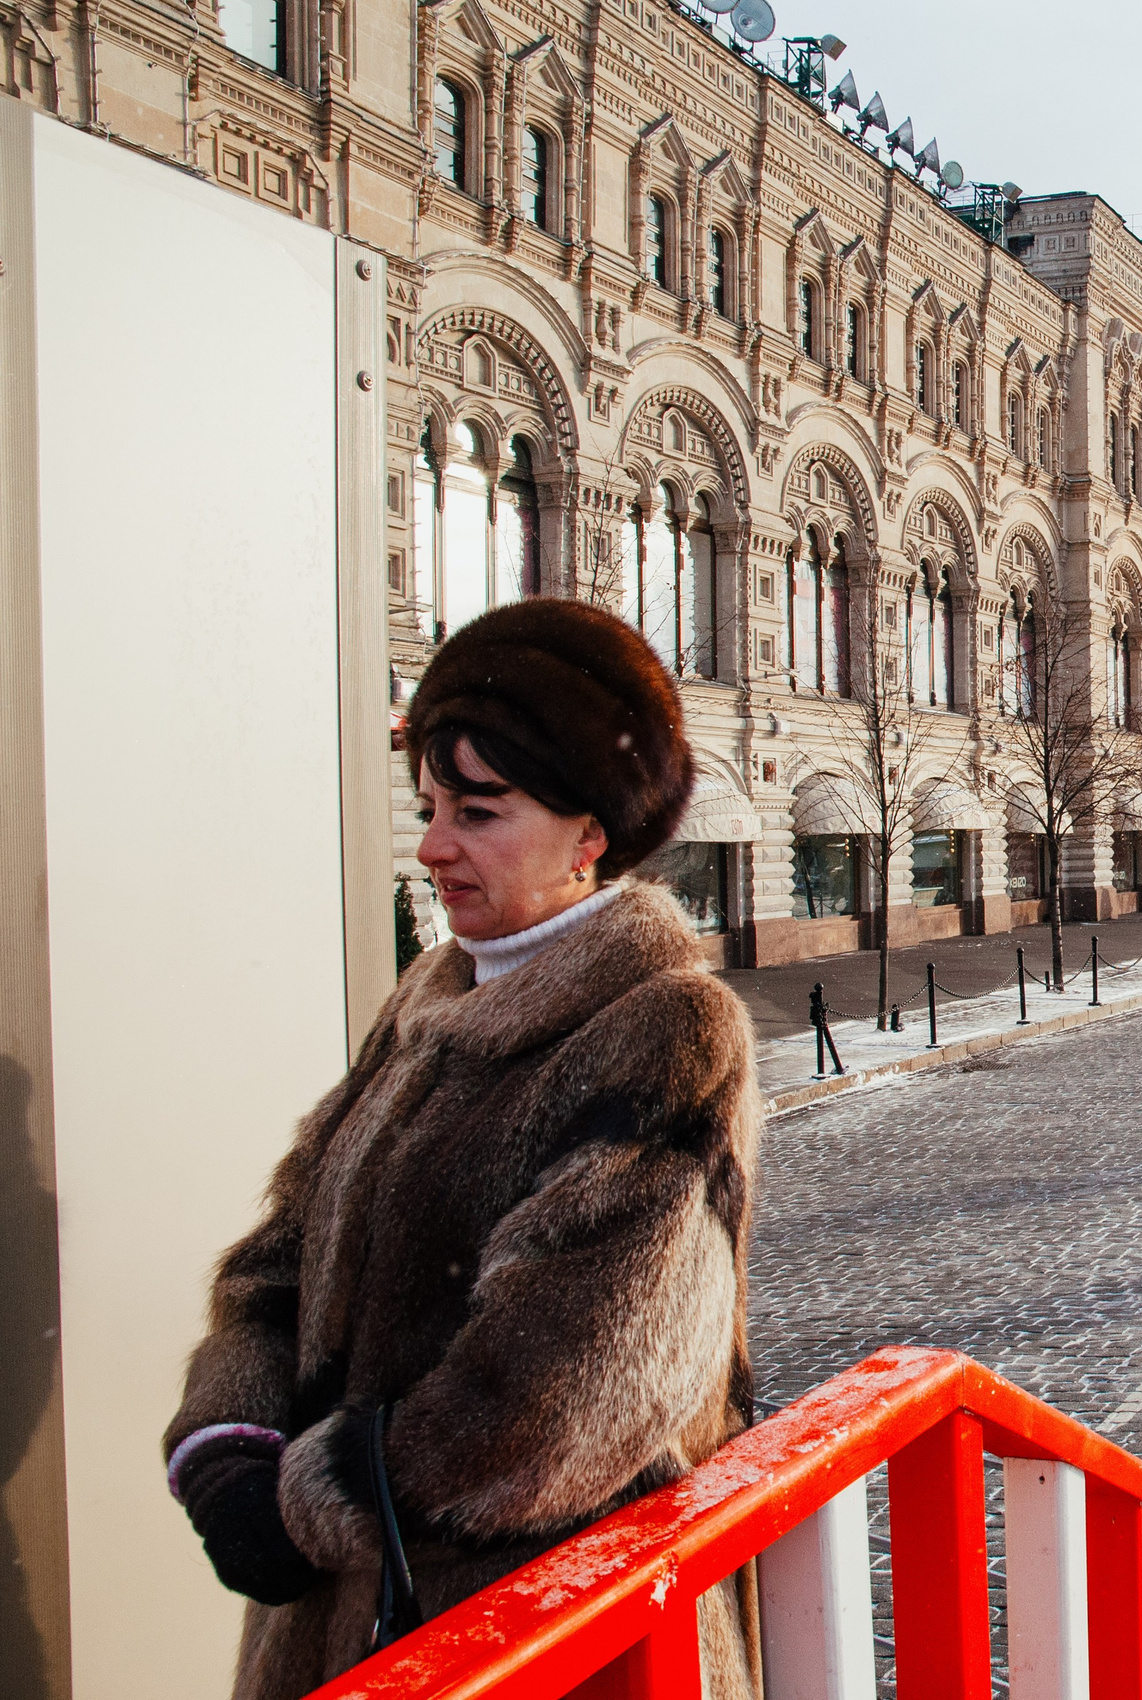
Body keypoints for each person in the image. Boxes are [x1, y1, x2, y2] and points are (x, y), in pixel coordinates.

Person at [160, 601, 761, 1699]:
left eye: (480, 811)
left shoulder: (662, 1029)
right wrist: (224, 1438)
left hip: (548, 1632)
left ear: (594, 833)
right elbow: (278, 1257)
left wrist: (306, 1503)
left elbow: (565, 1394)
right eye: (431, 806)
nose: (435, 844)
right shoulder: (430, 1002)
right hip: (357, 1613)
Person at [810, 980, 846, 1077]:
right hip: (820, 1017)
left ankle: (822, 1070)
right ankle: (824, 1070)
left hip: (820, 1016)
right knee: (823, 1033)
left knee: (822, 1033)